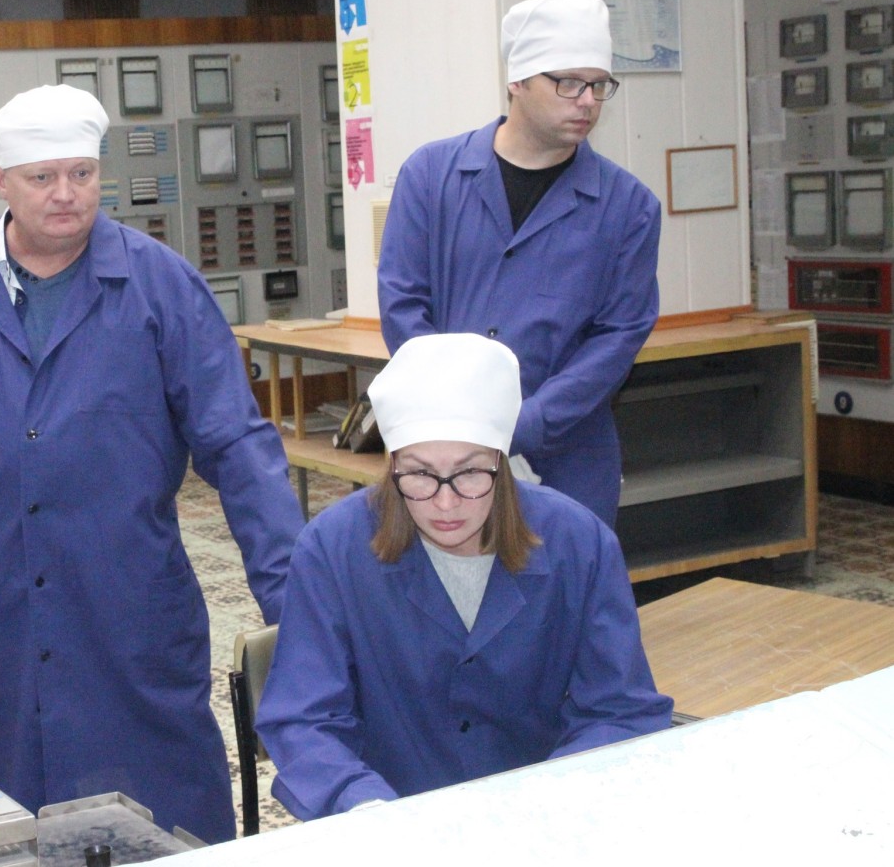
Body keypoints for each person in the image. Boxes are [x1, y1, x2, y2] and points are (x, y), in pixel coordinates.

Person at [0, 83, 303, 843]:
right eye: (42, 177)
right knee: (5, 836)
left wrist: (294, 602)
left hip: (131, 617)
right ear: (0, 181)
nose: (65, 194)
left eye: (82, 174)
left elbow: (238, 446)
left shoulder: (161, 287)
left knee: (167, 828)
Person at [255, 332, 673, 821]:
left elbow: (620, 710)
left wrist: (553, 795)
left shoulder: (579, 543)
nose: (446, 502)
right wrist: (360, 803)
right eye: (419, 474)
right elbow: (304, 720)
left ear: (502, 462)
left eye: (471, 472)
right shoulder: (331, 550)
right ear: (391, 465)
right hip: (384, 822)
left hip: (545, 817)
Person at [378, 0, 662, 527]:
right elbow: (403, 305)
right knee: (444, 576)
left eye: (599, 85)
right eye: (569, 83)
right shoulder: (431, 177)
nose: (587, 102)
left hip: (568, 454)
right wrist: (462, 422)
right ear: (518, 81)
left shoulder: (629, 206)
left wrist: (524, 426)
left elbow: (619, 336)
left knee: (567, 574)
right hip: (443, 451)